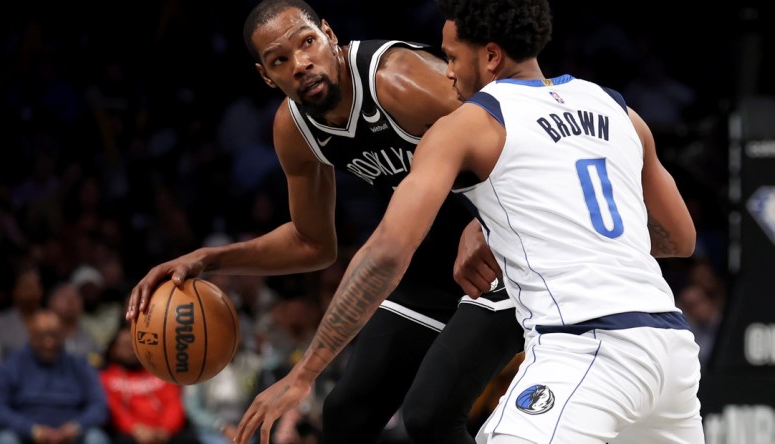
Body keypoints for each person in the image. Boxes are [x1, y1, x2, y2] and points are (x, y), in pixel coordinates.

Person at [233, 0, 705, 443]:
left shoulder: (468, 124)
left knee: (435, 414)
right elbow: (679, 239)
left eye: (452, 57)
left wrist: (303, 374)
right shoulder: (618, 108)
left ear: (491, 57)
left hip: (585, 348)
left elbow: (385, 254)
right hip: (672, 349)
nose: (447, 70)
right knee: (400, 412)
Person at [125, 0, 522, 442]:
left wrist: (484, 222)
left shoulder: (398, 80)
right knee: (345, 416)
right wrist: (208, 259)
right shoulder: (295, 129)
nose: (300, 64)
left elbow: (524, 129)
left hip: (504, 255)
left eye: (307, 43)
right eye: (279, 60)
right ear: (265, 75)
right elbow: (312, 243)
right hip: (429, 268)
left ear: (329, 35)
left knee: (428, 416)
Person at [0, 310, 110, 444]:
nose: (49, 343)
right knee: (5, 440)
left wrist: (76, 426)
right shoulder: (11, 366)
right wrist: (31, 429)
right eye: (42, 336)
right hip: (25, 435)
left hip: (72, 435)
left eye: (54, 336)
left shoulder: (79, 365)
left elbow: (99, 405)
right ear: (31, 335)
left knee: (96, 438)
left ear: (63, 335)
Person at [98, 324, 200, 444]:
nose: (131, 349)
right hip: (133, 434)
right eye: (125, 345)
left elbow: (174, 403)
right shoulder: (106, 378)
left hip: (165, 432)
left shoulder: (160, 372)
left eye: (134, 345)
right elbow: (115, 410)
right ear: (114, 350)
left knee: (189, 439)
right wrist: (136, 430)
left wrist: (165, 429)